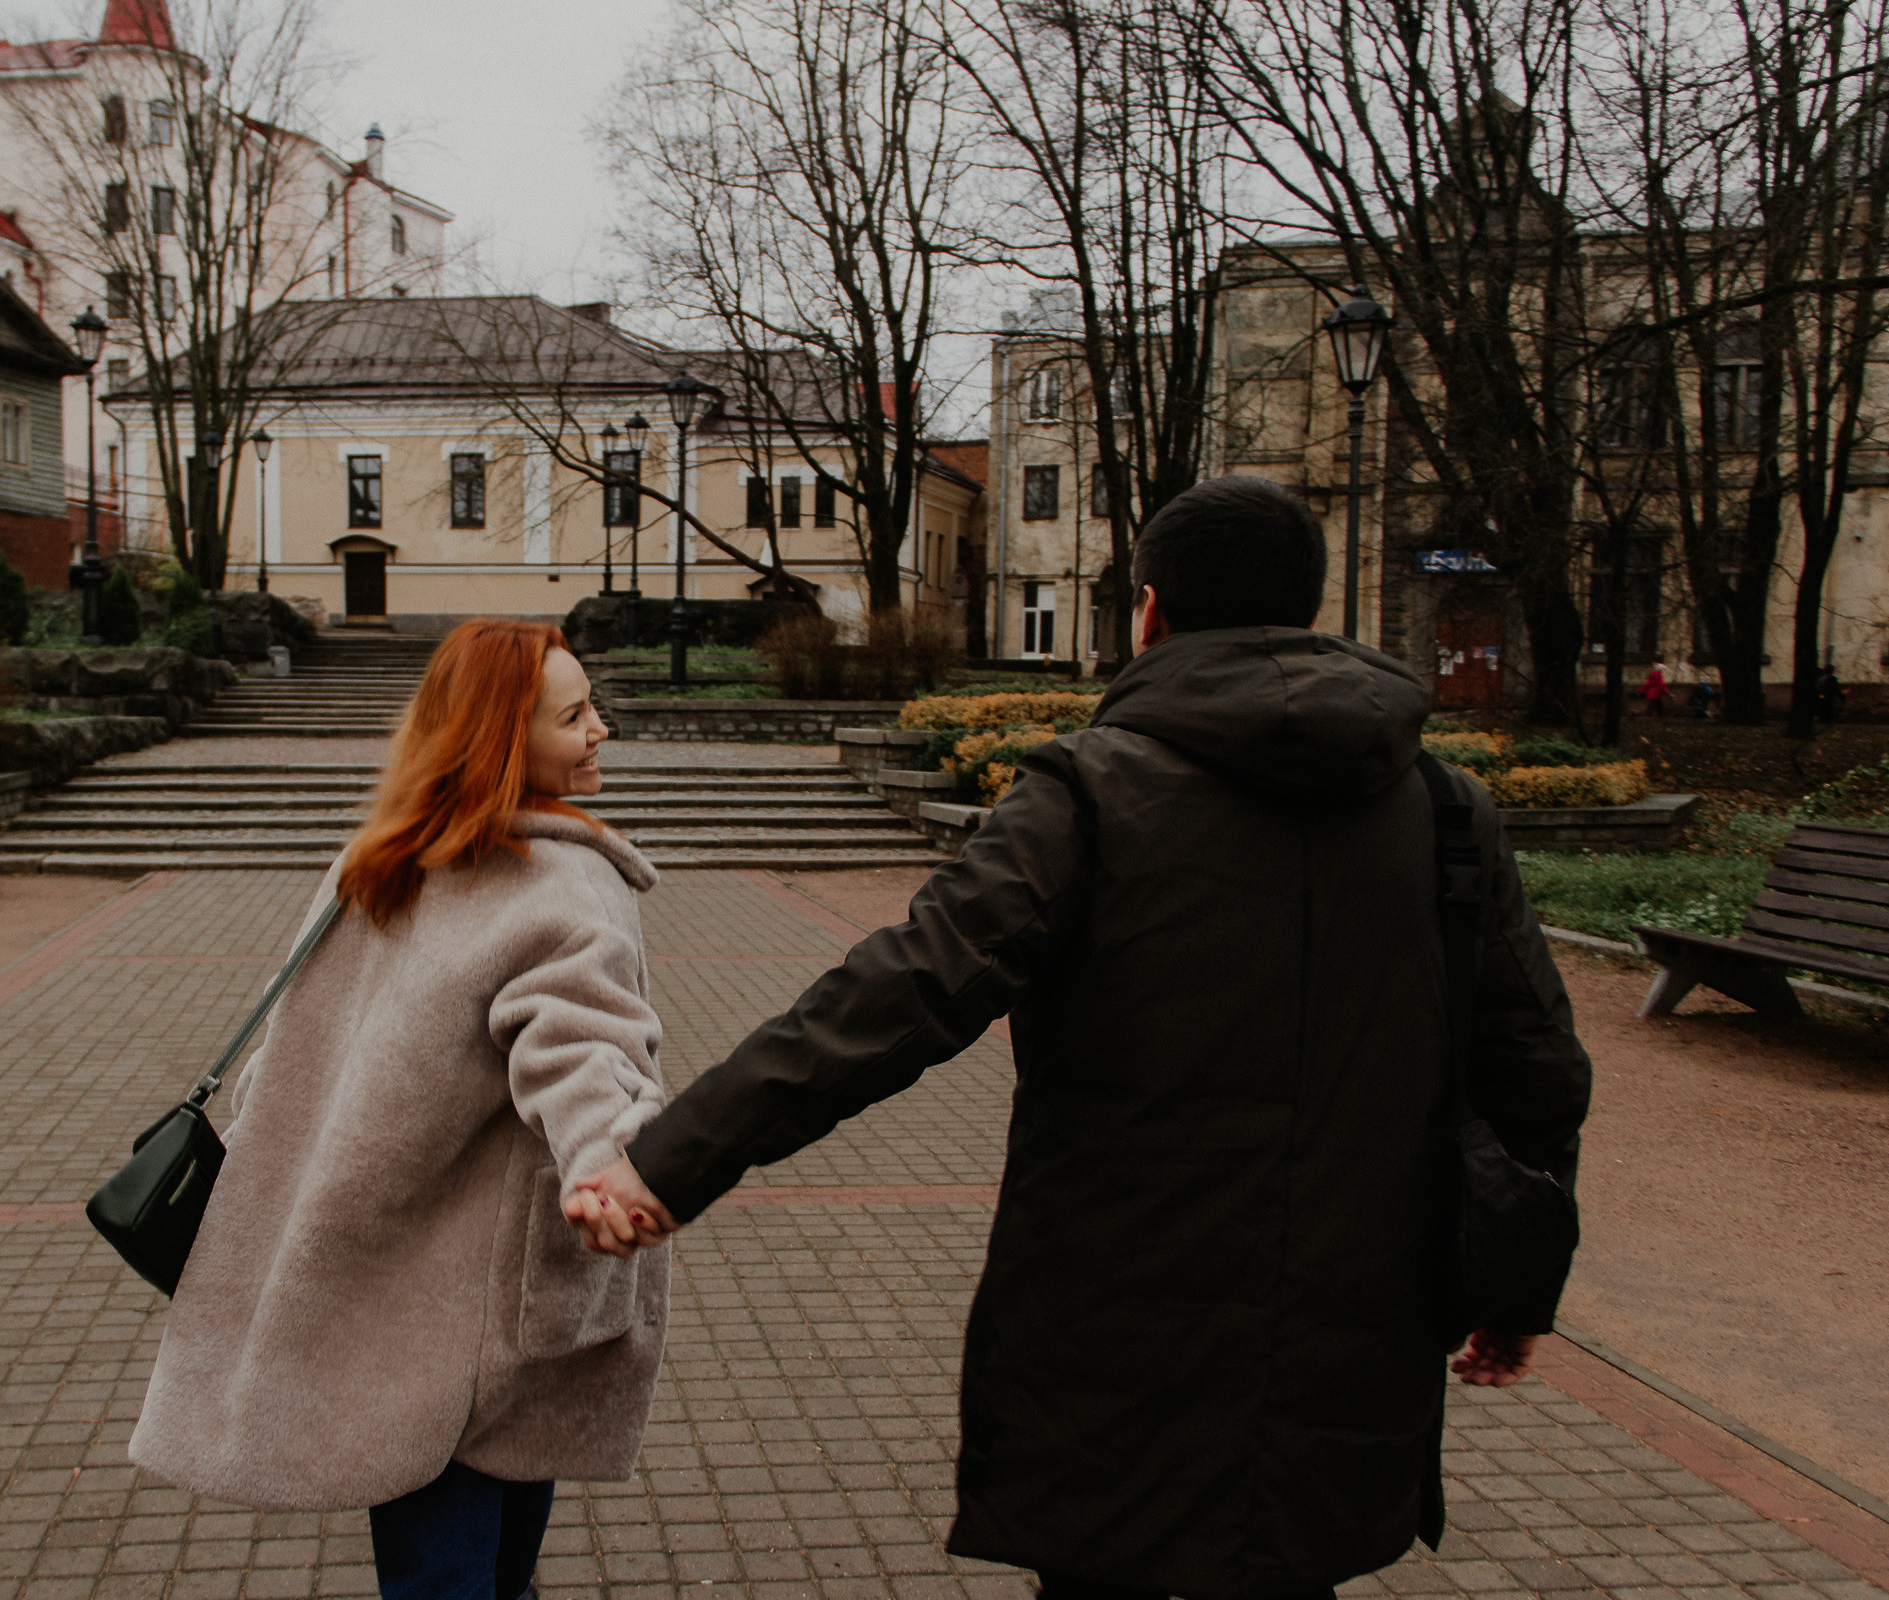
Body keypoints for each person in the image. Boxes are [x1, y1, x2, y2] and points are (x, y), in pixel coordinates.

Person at [568, 476, 1594, 1600]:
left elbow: (899, 995)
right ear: (1307, 611)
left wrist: (669, 1163)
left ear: (1147, 611)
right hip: (1354, 1330)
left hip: (1116, 1331)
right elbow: (1536, 1065)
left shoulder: (1095, 791)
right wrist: (1514, 1290)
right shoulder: (1445, 807)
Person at [132, 619, 671, 1600]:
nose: (602, 731)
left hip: (368, 1268)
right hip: (482, 1315)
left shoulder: (379, 856)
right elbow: (586, 1047)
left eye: (597, 707)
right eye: (575, 714)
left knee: (455, 1564)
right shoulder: (558, 882)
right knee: (472, 1570)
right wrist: (615, 1160)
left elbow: (289, 1053)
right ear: (502, 738)